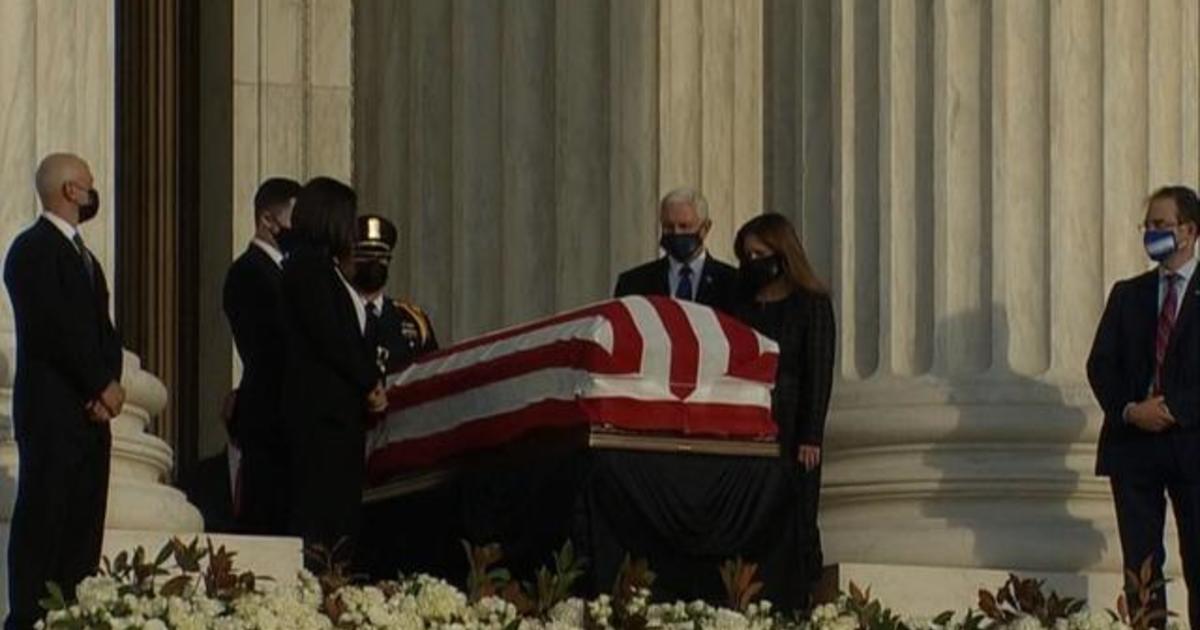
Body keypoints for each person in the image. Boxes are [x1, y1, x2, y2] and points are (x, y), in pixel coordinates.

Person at [4, 154, 125, 630]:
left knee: (81, 531)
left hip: (90, 420)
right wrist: (97, 383)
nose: (94, 192)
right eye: (89, 185)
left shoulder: (86, 259)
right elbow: (53, 329)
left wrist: (109, 387)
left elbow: (101, 331)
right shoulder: (32, 250)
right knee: (45, 523)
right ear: (71, 191)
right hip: (54, 412)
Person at [1087, 186, 1200, 630]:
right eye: (1148, 226)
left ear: (1188, 231)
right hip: (1133, 447)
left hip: (1191, 445)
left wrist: (1171, 409)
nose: (1151, 233)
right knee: (1142, 566)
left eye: (1160, 225)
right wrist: (1131, 410)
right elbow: (1100, 364)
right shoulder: (1127, 295)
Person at [731, 212, 835, 610]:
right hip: (749, 421)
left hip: (793, 425)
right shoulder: (742, 301)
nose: (754, 261)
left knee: (797, 511)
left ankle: (800, 594)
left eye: (761, 253)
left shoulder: (811, 304)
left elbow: (818, 369)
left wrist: (812, 434)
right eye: (748, 255)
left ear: (782, 253)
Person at [281, 177, 386, 562]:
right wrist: (369, 382)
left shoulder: (326, 271)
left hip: (337, 418)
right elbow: (331, 337)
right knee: (321, 526)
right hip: (321, 417)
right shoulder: (307, 270)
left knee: (339, 526)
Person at [222, 177, 301, 534]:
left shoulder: (288, 273)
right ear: (268, 220)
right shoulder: (248, 273)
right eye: (295, 218)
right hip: (270, 416)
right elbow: (268, 347)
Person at [613, 187, 738, 313]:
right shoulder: (633, 283)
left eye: (684, 226)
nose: (676, 233)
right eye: (668, 226)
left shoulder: (733, 282)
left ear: (705, 228)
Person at [349, 215, 439, 376]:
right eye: (366, 254)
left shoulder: (413, 320)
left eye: (380, 255)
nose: (374, 261)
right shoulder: (334, 313)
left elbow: (431, 373)